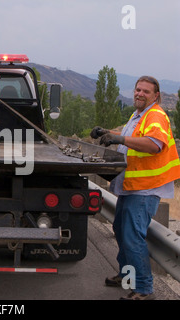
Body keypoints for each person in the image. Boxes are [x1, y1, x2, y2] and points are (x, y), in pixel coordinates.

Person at [90, 76, 180, 300]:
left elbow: (153, 144)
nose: (140, 94)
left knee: (132, 237)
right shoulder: (139, 115)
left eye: (146, 91)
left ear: (155, 95)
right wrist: (106, 133)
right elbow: (131, 137)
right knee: (120, 230)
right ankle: (126, 274)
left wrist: (118, 138)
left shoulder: (156, 115)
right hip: (131, 186)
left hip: (144, 190)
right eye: (138, 90)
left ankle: (143, 288)